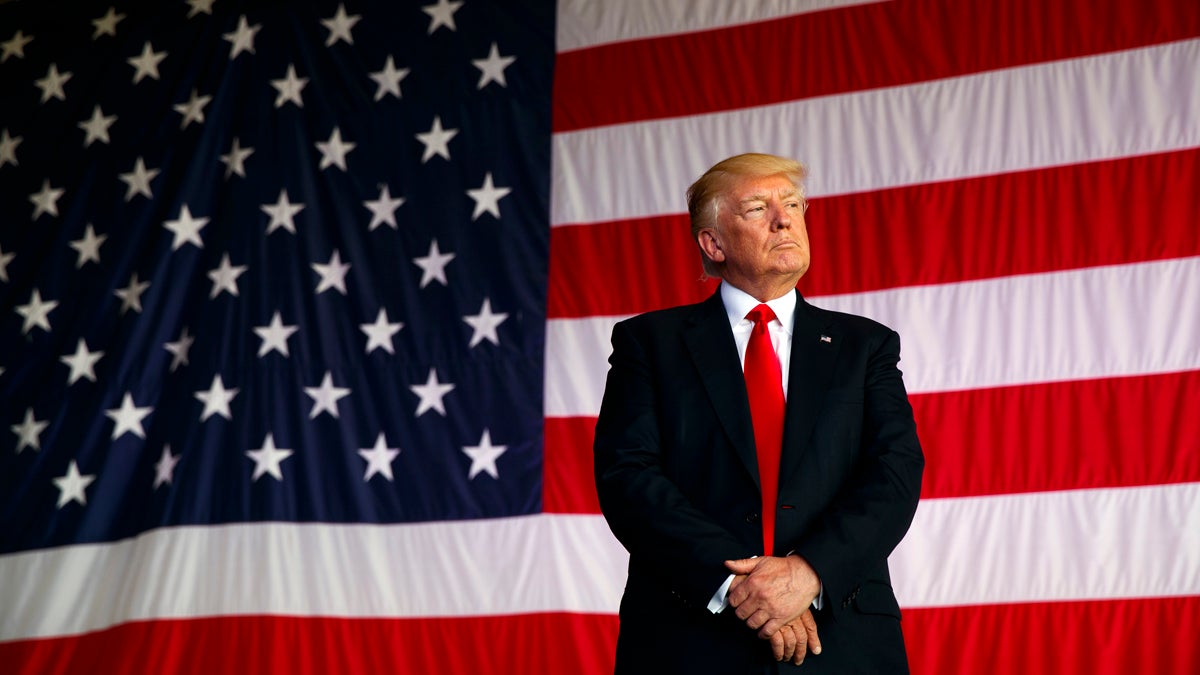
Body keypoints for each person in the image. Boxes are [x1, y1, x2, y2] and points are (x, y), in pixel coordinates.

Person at [593, 152, 925, 673]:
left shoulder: (866, 346)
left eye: (792, 203)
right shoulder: (648, 344)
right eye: (757, 207)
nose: (784, 217)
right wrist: (740, 587)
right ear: (713, 242)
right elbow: (628, 478)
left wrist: (807, 575)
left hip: (842, 639)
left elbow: (895, 473)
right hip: (691, 640)